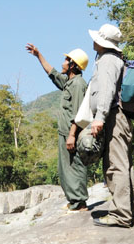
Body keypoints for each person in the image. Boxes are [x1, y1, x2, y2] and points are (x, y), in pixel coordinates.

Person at [26, 43, 90, 210]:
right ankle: (74, 201)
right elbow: (52, 73)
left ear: (73, 65)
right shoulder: (69, 82)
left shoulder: (78, 84)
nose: (63, 62)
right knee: (65, 169)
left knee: (75, 167)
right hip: (65, 133)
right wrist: (38, 55)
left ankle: (80, 202)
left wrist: (72, 135)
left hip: (72, 133)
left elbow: (78, 114)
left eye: (66, 60)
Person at [88, 24, 134, 227]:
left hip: (113, 117)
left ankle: (121, 215)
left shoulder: (108, 60)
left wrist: (100, 117)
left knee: (116, 165)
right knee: (123, 164)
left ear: (101, 41)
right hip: (117, 116)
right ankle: (127, 212)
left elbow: (107, 90)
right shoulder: (114, 59)